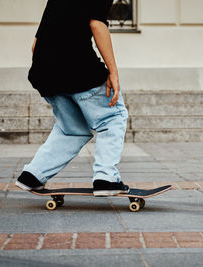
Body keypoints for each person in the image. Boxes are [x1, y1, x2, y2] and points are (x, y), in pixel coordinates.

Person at [15, 0, 130, 196]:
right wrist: (113, 72)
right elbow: (97, 24)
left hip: (44, 72)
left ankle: (33, 175)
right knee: (112, 118)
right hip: (78, 68)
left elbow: (35, 45)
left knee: (72, 130)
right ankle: (106, 178)